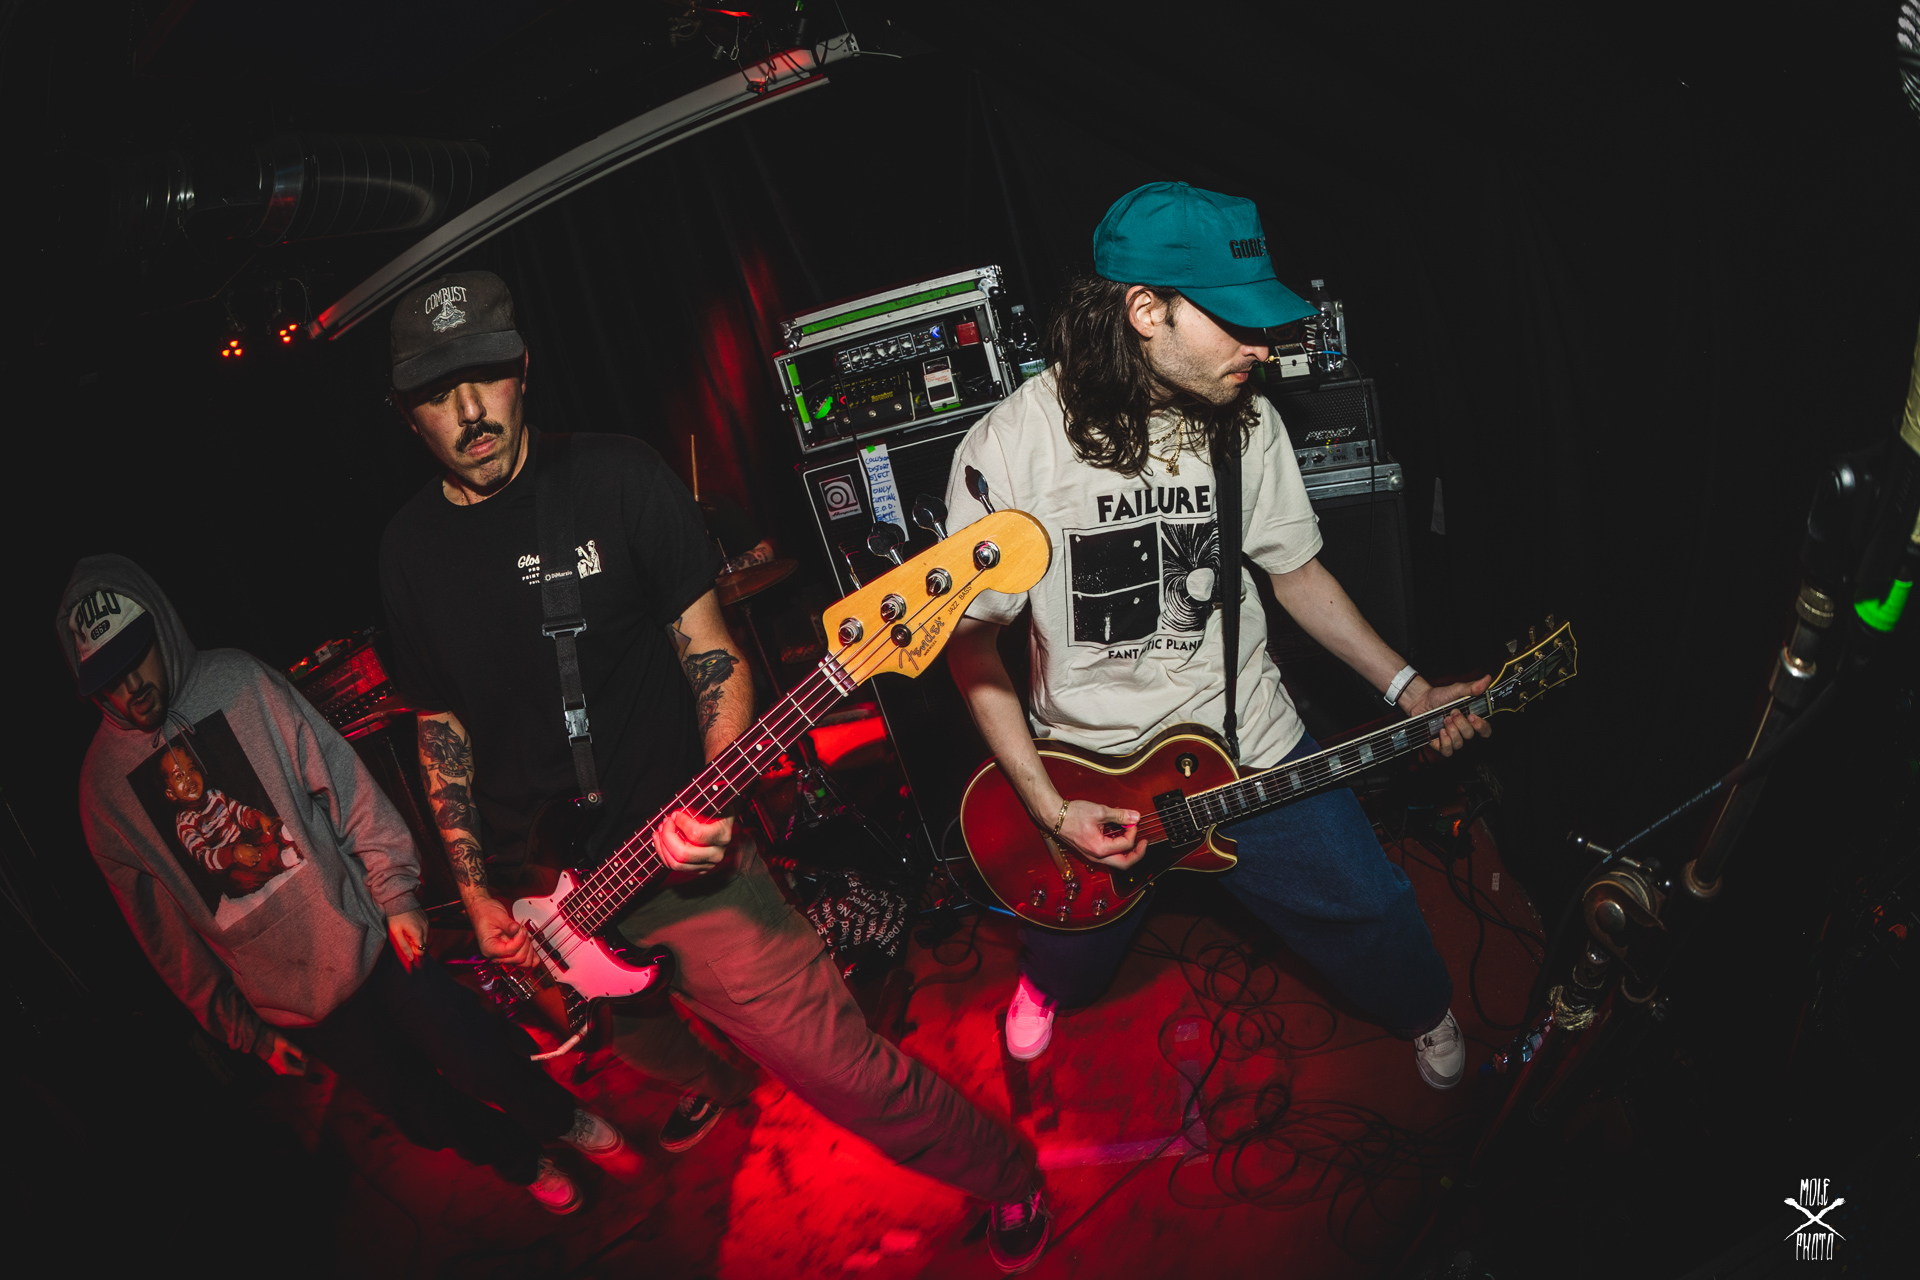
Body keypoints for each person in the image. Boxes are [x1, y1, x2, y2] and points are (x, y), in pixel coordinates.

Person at [376, 271, 1051, 1273]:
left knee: (845, 1072)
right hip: (539, 897)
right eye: (439, 393)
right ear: (406, 415)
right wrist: (475, 895)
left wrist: (718, 788)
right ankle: (722, 1087)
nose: (470, 411)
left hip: (687, 867)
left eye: (485, 377)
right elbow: (442, 729)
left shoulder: (617, 477)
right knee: (644, 1040)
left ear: (523, 371)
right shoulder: (406, 553)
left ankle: (1008, 1171)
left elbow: (714, 653)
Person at [944, 182, 1490, 1089]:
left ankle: (1422, 1008)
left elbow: (1296, 574)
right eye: (1235, 322)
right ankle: (1049, 983)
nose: (1262, 347)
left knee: (1371, 906)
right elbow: (972, 649)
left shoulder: (1246, 418)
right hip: (1086, 767)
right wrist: (1048, 808)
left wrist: (1411, 690)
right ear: (1145, 311)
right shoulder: (1011, 446)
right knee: (1068, 942)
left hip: (1245, 743)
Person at [60, 555, 624, 1214]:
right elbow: (165, 940)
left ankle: (559, 1117)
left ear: (161, 628)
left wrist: (397, 893)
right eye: (107, 681)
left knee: (481, 1053)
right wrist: (247, 1034)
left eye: (136, 659)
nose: (130, 688)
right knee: (424, 1116)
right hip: (298, 1004)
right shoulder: (102, 793)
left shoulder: (238, 679)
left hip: (374, 939)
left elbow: (340, 777)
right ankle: (521, 1160)